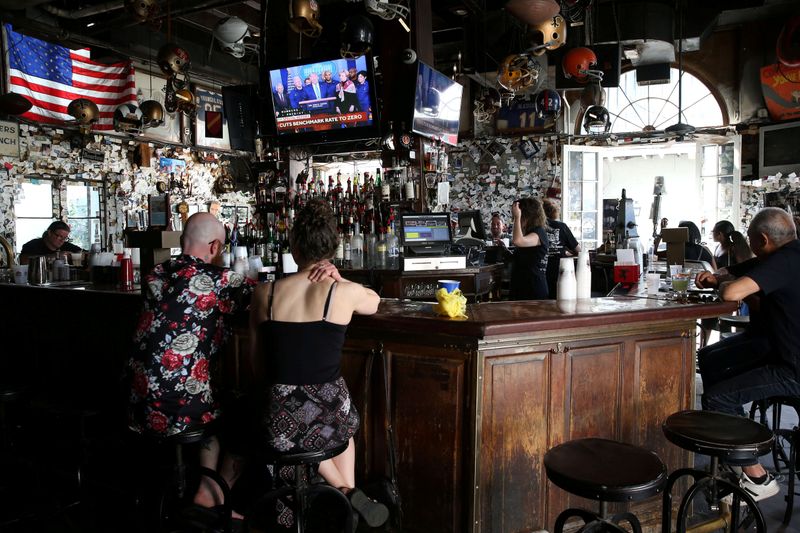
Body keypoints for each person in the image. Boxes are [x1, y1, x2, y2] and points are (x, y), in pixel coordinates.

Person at [248, 199, 388, 528]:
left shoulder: (263, 294)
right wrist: (338, 278)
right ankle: (346, 497)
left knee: (291, 425)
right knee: (343, 425)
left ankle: (334, 497)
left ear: (294, 247)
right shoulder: (344, 292)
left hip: (279, 420)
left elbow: (256, 367)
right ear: (333, 248)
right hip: (330, 418)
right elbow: (375, 302)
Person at [126, 212, 257, 513]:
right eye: (221, 248)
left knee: (213, 396)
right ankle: (212, 494)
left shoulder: (154, 275)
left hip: (137, 404)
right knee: (254, 415)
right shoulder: (218, 280)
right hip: (176, 409)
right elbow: (270, 296)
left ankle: (203, 490)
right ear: (214, 247)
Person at [694, 207, 800, 501]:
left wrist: (723, 284)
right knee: (710, 359)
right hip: (775, 345)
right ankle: (733, 435)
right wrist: (718, 277)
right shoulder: (789, 254)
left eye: (753, 241)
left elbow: (731, 294)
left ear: (763, 239)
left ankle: (757, 477)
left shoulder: (786, 261)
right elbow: (750, 268)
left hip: (792, 367)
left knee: (717, 396)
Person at [509, 197, 549, 300]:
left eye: (516, 216)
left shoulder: (539, 232)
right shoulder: (529, 233)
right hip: (522, 287)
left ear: (527, 216)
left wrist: (517, 217)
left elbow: (518, 241)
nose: (514, 219)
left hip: (533, 289)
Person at [543, 199, 580, 299]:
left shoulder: (538, 227)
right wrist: (565, 251)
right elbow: (578, 250)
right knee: (560, 299)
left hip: (542, 270)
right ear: (556, 212)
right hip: (560, 269)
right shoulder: (562, 226)